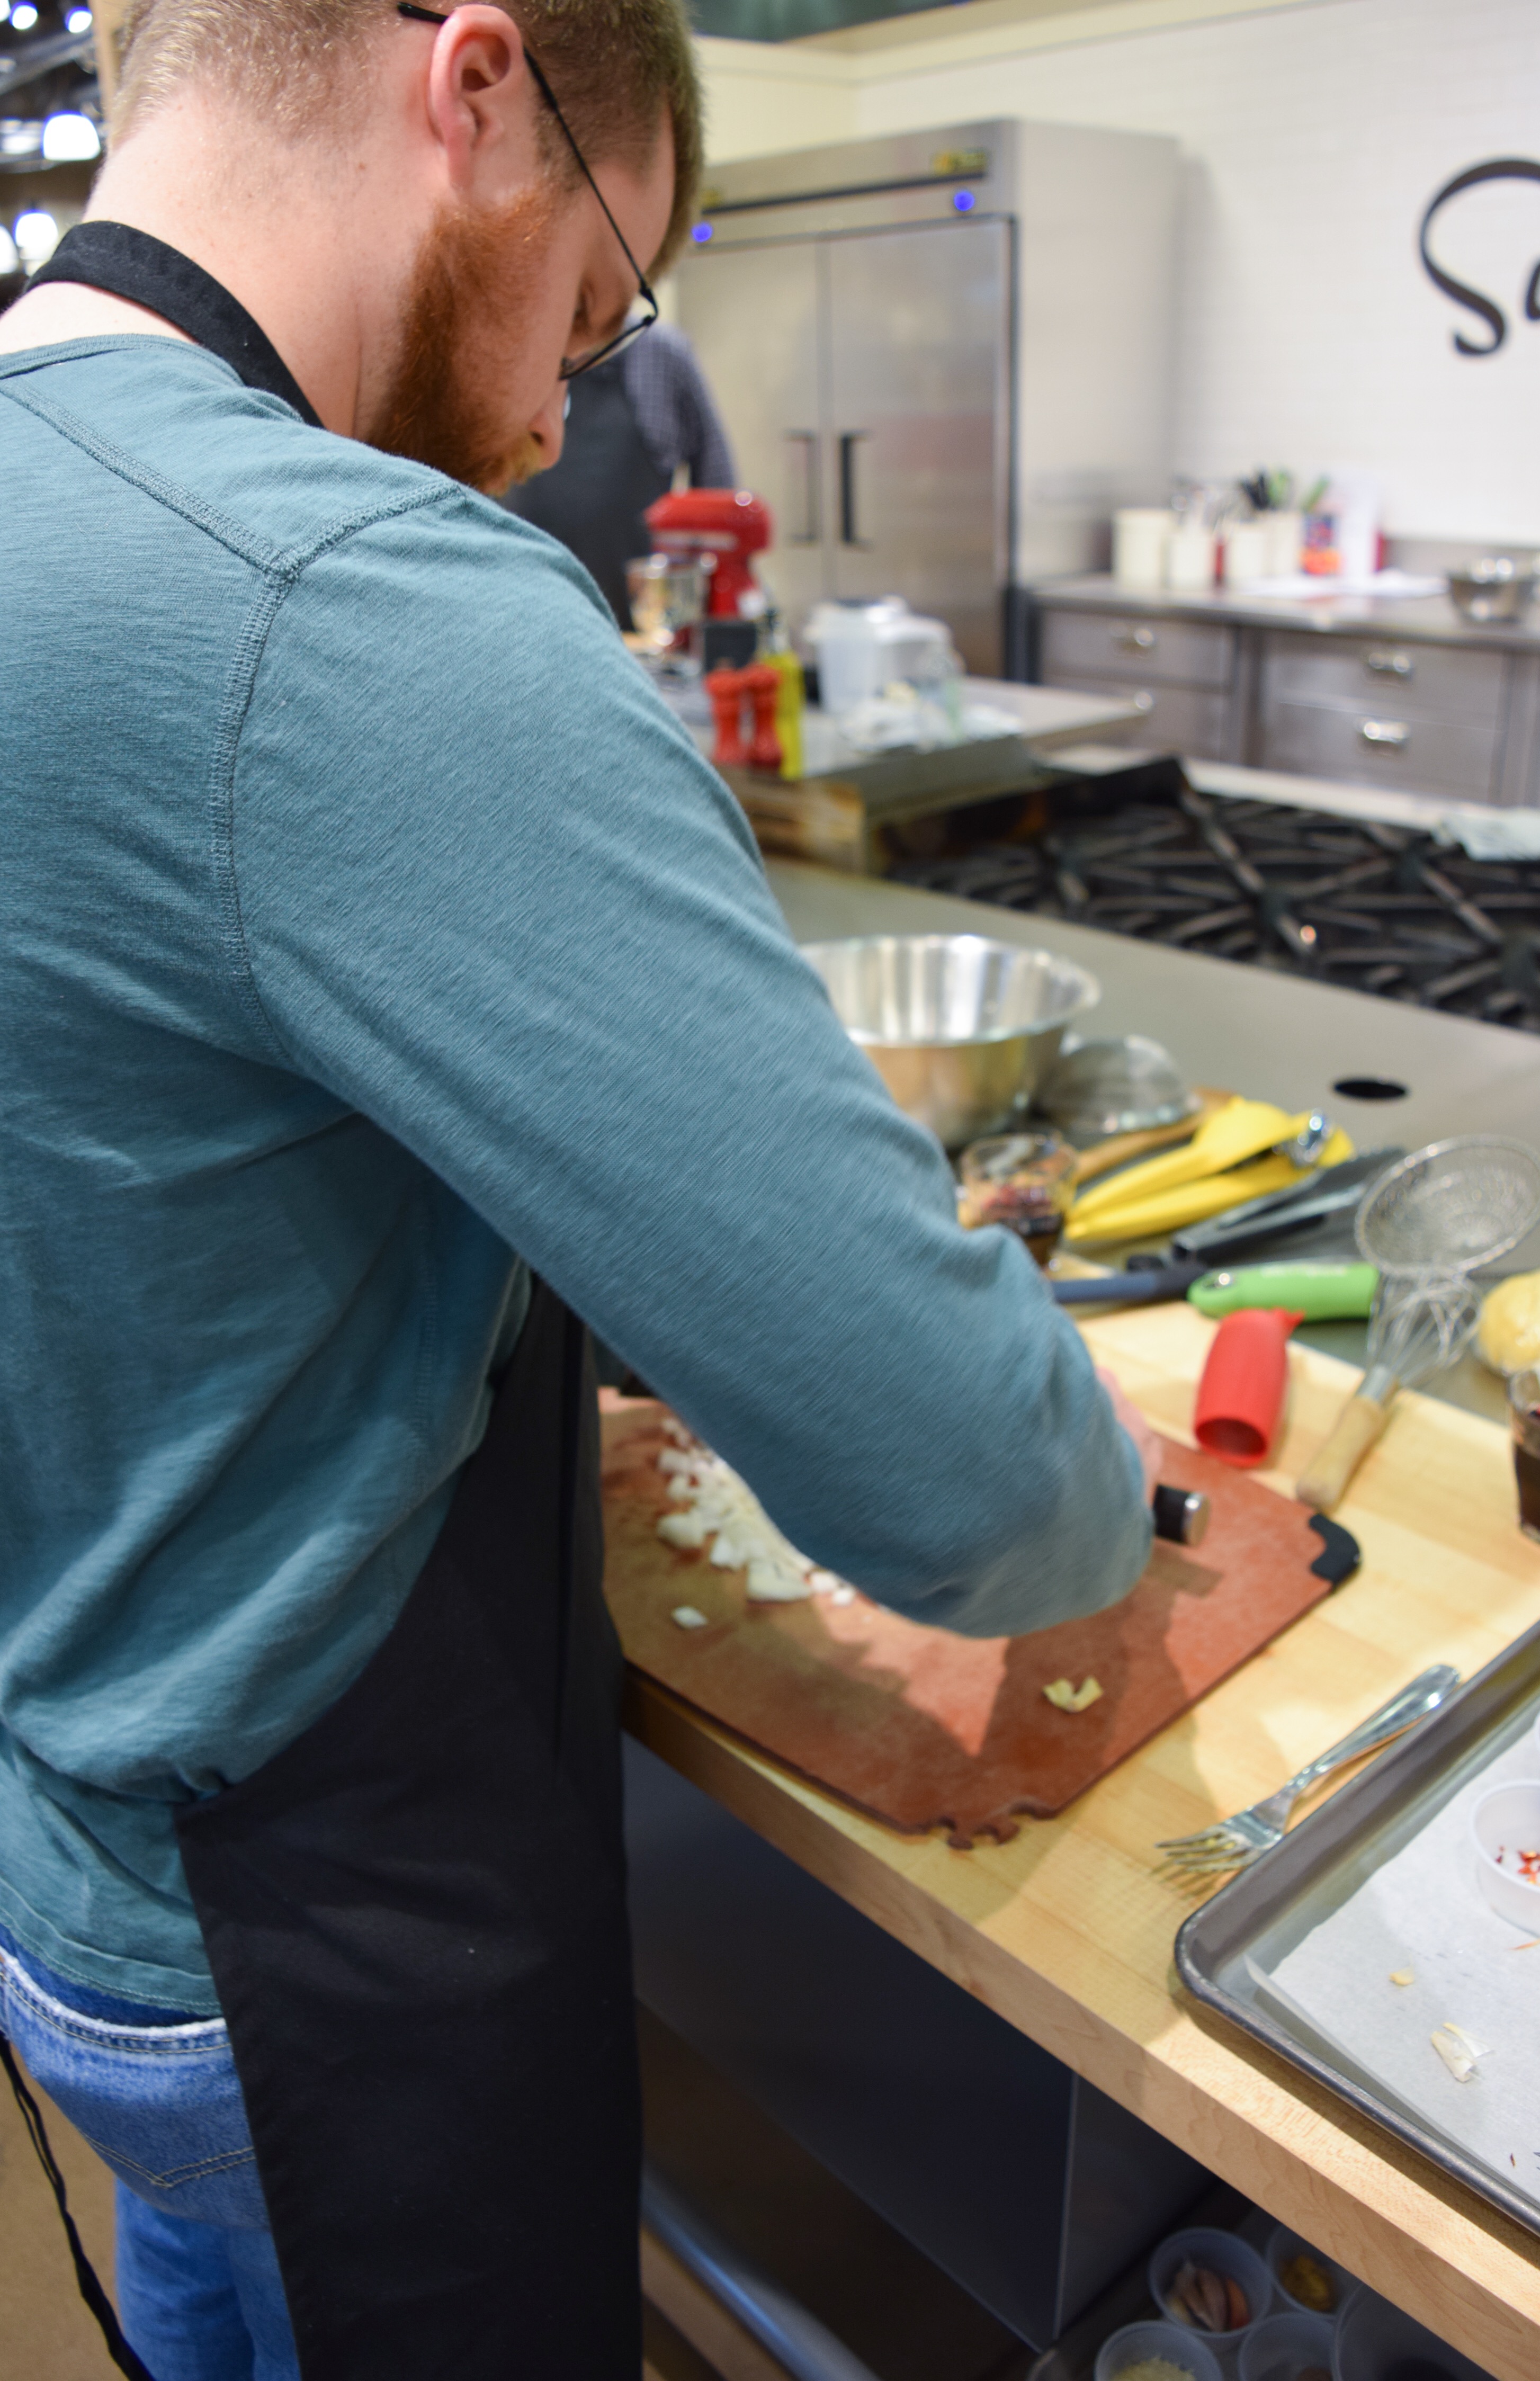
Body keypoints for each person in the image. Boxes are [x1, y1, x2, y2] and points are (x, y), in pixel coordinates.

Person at [0, 0, 1161, 2370]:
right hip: (314, 1932)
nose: (560, 411)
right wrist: (1088, 1508)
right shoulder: (349, 605)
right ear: (480, 85)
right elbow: (957, 1469)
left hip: (72, 1842)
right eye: (601, 302)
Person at [502, 315, 735, 622]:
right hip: (520, 620)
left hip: (635, 629)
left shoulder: (657, 351)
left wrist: (711, 607)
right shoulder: (507, 348)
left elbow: (715, 489)